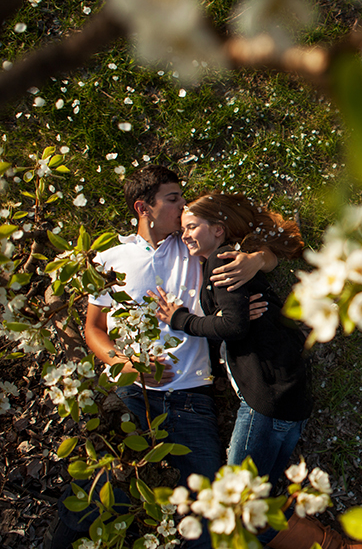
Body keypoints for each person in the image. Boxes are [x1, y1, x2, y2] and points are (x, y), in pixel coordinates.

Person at [58, 165, 277, 549]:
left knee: (210, 511)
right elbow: (94, 329)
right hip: (131, 393)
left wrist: (257, 260)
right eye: (173, 199)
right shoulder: (111, 258)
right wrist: (124, 364)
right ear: (145, 207)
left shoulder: (194, 246)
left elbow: (274, 243)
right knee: (97, 492)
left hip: (192, 396)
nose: (183, 206)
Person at [151, 193, 313, 493]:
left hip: (266, 400)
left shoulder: (220, 261)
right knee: (256, 504)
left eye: (191, 227)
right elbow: (234, 320)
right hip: (289, 397)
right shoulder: (230, 259)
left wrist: (180, 319)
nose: (184, 235)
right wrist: (221, 314)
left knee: (237, 501)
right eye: (183, 229)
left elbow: (233, 326)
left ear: (218, 229)